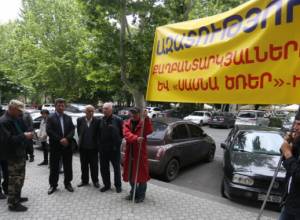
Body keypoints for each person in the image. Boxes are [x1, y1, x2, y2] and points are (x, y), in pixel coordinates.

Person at [0, 100, 33, 211]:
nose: (20, 113)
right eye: (19, 110)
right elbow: (8, 140)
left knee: (20, 178)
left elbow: (25, 128)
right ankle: (12, 204)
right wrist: (24, 135)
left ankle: (17, 197)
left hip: (20, 153)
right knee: (14, 180)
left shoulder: (17, 118)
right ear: (12, 108)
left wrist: (30, 132)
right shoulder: (3, 121)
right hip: (12, 155)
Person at [122, 107, 153, 203]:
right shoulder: (126, 123)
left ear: (139, 114)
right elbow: (126, 134)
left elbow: (149, 130)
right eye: (131, 113)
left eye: (135, 113)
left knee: (142, 176)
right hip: (130, 154)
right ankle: (133, 193)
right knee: (131, 175)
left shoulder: (143, 123)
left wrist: (146, 118)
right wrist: (136, 138)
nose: (133, 115)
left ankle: (141, 195)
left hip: (140, 154)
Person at [46, 98, 75, 195]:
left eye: (63, 105)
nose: (61, 107)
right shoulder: (50, 118)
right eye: (59, 105)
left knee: (68, 166)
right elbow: (49, 131)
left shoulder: (68, 117)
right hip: (55, 146)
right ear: (55, 106)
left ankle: (68, 183)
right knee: (54, 166)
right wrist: (60, 139)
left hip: (67, 146)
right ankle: (53, 185)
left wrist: (67, 139)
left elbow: (72, 130)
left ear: (64, 106)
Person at [98, 102, 123, 193]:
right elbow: (98, 134)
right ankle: (107, 185)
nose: (104, 110)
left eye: (106, 108)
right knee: (104, 168)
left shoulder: (118, 120)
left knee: (116, 168)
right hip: (103, 149)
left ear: (111, 109)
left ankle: (118, 186)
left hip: (114, 149)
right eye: (103, 108)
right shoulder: (100, 120)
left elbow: (122, 134)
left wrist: (117, 142)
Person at [280, 112, 300, 220]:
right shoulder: (298, 143)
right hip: (289, 203)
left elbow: (298, 175)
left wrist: (288, 154)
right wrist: (290, 143)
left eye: (299, 124)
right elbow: (289, 165)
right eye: (295, 124)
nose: (295, 128)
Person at [77, 105, 100, 188]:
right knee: (83, 166)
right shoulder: (80, 120)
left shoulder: (97, 121)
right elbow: (79, 132)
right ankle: (84, 181)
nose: (90, 113)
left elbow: (98, 134)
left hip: (93, 148)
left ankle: (95, 181)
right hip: (83, 148)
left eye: (92, 111)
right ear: (85, 112)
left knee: (94, 166)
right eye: (89, 111)